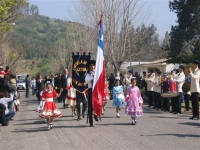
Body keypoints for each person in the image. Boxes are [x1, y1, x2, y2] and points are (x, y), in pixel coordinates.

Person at [85, 60, 98, 127]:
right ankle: (91, 121)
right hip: (91, 91)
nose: (92, 66)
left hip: (97, 90)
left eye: (93, 65)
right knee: (90, 106)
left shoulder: (97, 72)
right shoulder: (88, 74)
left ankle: (96, 115)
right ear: (89, 67)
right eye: (91, 65)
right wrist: (92, 76)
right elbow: (86, 80)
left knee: (97, 104)